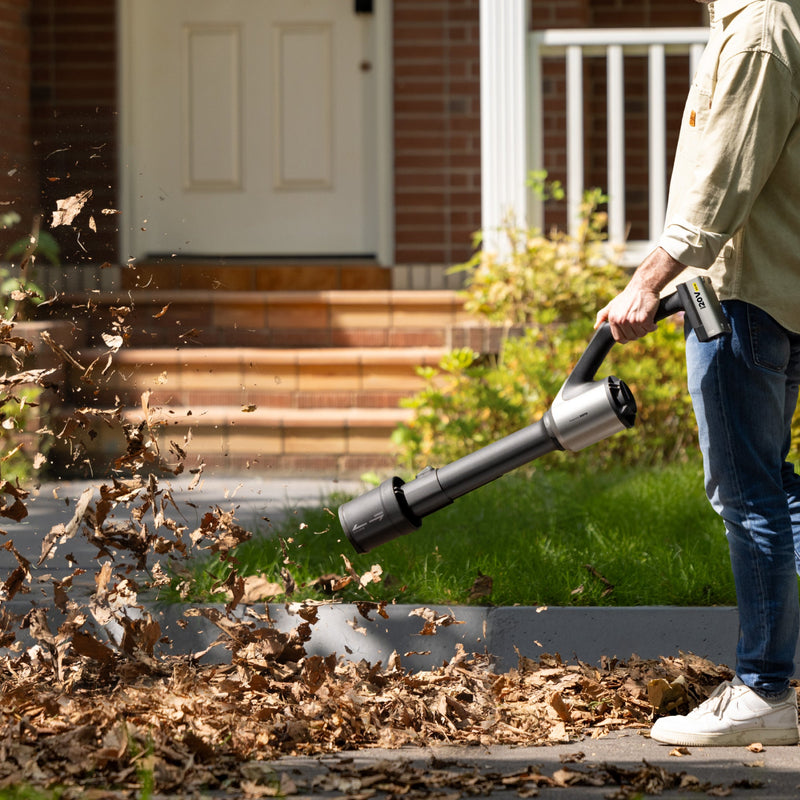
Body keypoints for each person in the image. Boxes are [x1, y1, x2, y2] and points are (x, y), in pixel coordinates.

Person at [596, 0, 800, 746]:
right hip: (766, 286)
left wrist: (648, 279)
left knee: (749, 492)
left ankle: (765, 689)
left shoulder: (759, 26)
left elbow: (724, 179)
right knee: (769, 490)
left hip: (740, 295)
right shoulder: (751, 19)